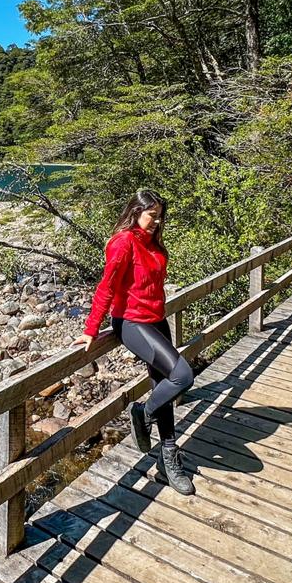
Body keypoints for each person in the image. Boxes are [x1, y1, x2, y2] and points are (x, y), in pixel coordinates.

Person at [73, 190, 195, 495]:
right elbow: (107, 286)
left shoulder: (152, 243)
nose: (156, 221)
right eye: (151, 214)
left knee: (163, 387)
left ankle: (169, 463)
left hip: (156, 320)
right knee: (182, 376)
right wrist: (91, 328)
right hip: (131, 322)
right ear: (136, 211)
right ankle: (142, 413)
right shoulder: (123, 241)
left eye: (159, 215)